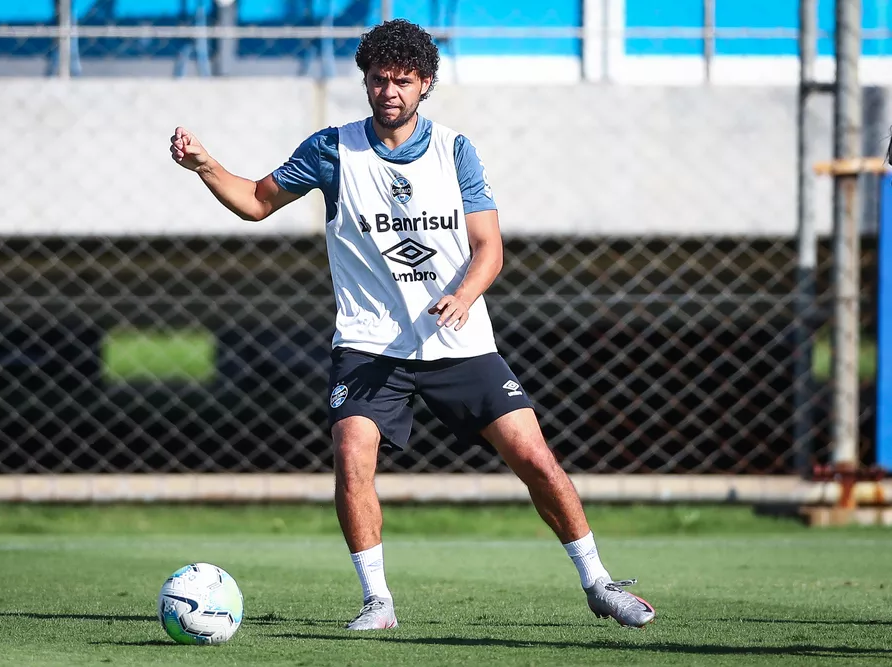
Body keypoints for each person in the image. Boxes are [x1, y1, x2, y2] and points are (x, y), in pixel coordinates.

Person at [170, 19, 656, 630]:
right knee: (351, 457)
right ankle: (378, 601)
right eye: (379, 80)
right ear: (366, 82)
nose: (389, 92)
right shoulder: (331, 149)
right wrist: (205, 165)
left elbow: (489, 249)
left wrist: (463, 295)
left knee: (535, 457)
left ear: (425, 84)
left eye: (403, 81)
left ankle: (599, 583)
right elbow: (256, 202)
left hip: (460, 342)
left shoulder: (456, 151)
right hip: (370, 345)